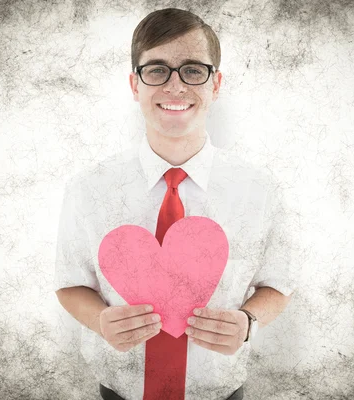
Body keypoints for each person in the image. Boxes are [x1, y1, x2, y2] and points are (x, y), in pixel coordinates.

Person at [54, 7, 295, 400]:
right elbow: (70, 285)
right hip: (120, 392)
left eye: (193, 70)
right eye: (157, 70)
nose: (175, 86)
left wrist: (249, 322)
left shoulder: (260, 189)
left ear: (216, 85)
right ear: (135, 85)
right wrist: (100, 321)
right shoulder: (88, 188)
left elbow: (279, 285)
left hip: (220, 392)